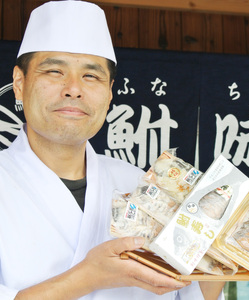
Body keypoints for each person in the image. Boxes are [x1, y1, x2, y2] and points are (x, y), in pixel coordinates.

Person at [0, 1, 225, 299]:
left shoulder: (139, 185)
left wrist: (224, 242)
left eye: (91, 76)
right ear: (19, 83)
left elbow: (191, 295)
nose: (74, 88)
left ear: (109, 95)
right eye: (54, 71)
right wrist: (88, 278)